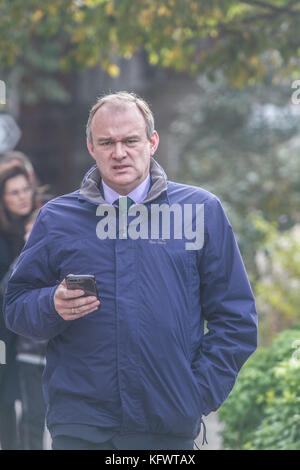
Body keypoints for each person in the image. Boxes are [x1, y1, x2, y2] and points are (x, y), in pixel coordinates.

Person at [3, 91, 258, 450]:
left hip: (167, 428)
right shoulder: (57, 218)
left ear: (152, 142)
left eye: (130, 140)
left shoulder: (201, 211)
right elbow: (15, 306)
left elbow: (236, 320)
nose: (118, 152)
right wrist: (51, 305)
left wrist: (196, 394)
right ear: (91, 147)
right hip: (80, 428)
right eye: (106, 142)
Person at [0, 163, 38, 449]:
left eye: (26, 189)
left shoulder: (43, 222)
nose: (22, 196)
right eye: (14, 192)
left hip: (31, 337)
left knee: (33, 406)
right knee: (2, 398)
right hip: (2, 335)